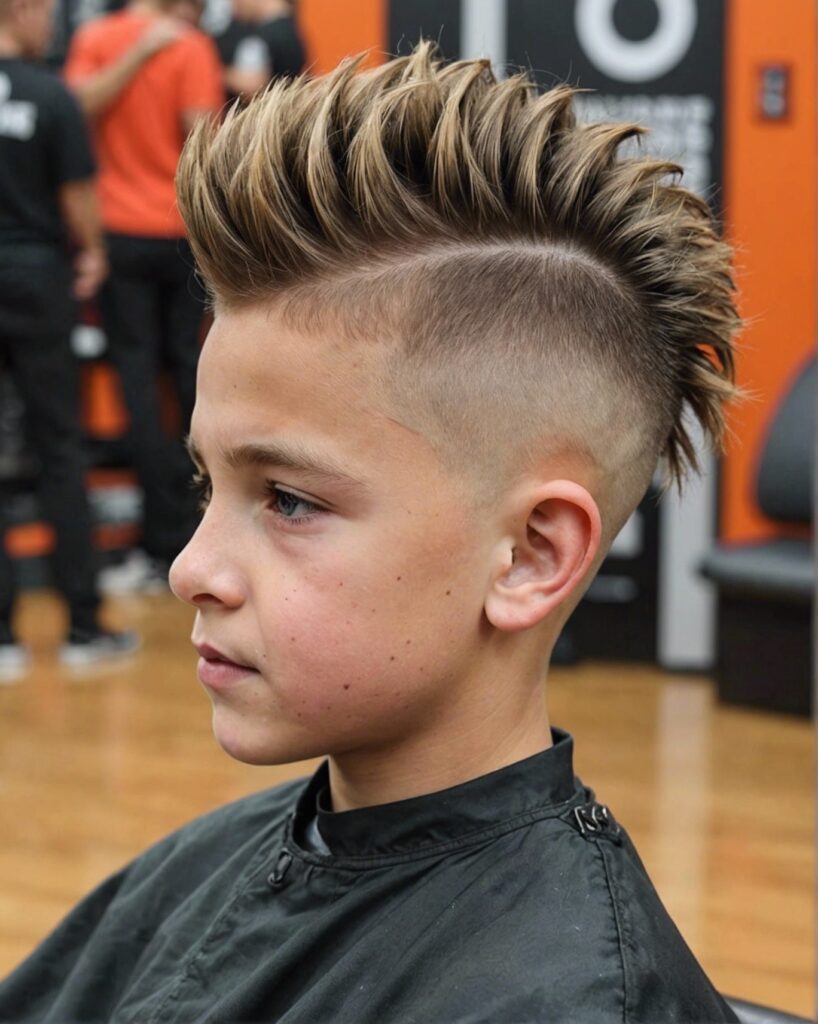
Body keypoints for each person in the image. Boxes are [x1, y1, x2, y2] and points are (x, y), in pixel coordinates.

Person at [0, 44, 742, 1021]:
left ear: (528, 556)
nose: (190, 569)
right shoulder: (208, 864)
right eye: (205, 482)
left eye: (288, 500)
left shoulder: (562, 1000)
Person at [63, 0, 224, 590]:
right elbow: (204, 140)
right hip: (172, 231)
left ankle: (167, 539)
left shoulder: (98, 38)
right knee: (185, 377)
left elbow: (76, 106)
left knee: (147, 379)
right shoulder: (185, 43)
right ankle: (190, 530)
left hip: (129, 233)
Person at [0, 0, 138, 678]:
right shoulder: (50, 95)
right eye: (47, 12)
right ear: (19, 10)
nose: (53, 26)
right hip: (38, 279)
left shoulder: (55, 90)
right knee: (59, 446)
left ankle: (3, 641)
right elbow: (78, 194)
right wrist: (94, 252)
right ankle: (84, 628)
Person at [215, 0, 303, 102]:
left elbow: (252, 87)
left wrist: (215, 72)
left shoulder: (263, 38)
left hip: (268, 109)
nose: (234, 3)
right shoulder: (293, 30)